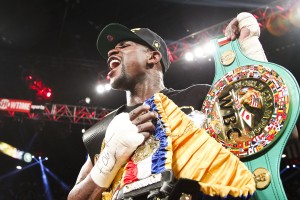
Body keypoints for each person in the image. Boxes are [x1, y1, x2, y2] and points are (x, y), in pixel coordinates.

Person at [68, 12, 263, 200]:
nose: (111, 52)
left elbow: (275, 132)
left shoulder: (199, 97)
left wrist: (250, 55)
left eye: (124, 45)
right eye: (113, 49)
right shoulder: (102, 130)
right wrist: (110, 156)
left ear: (152, 57)